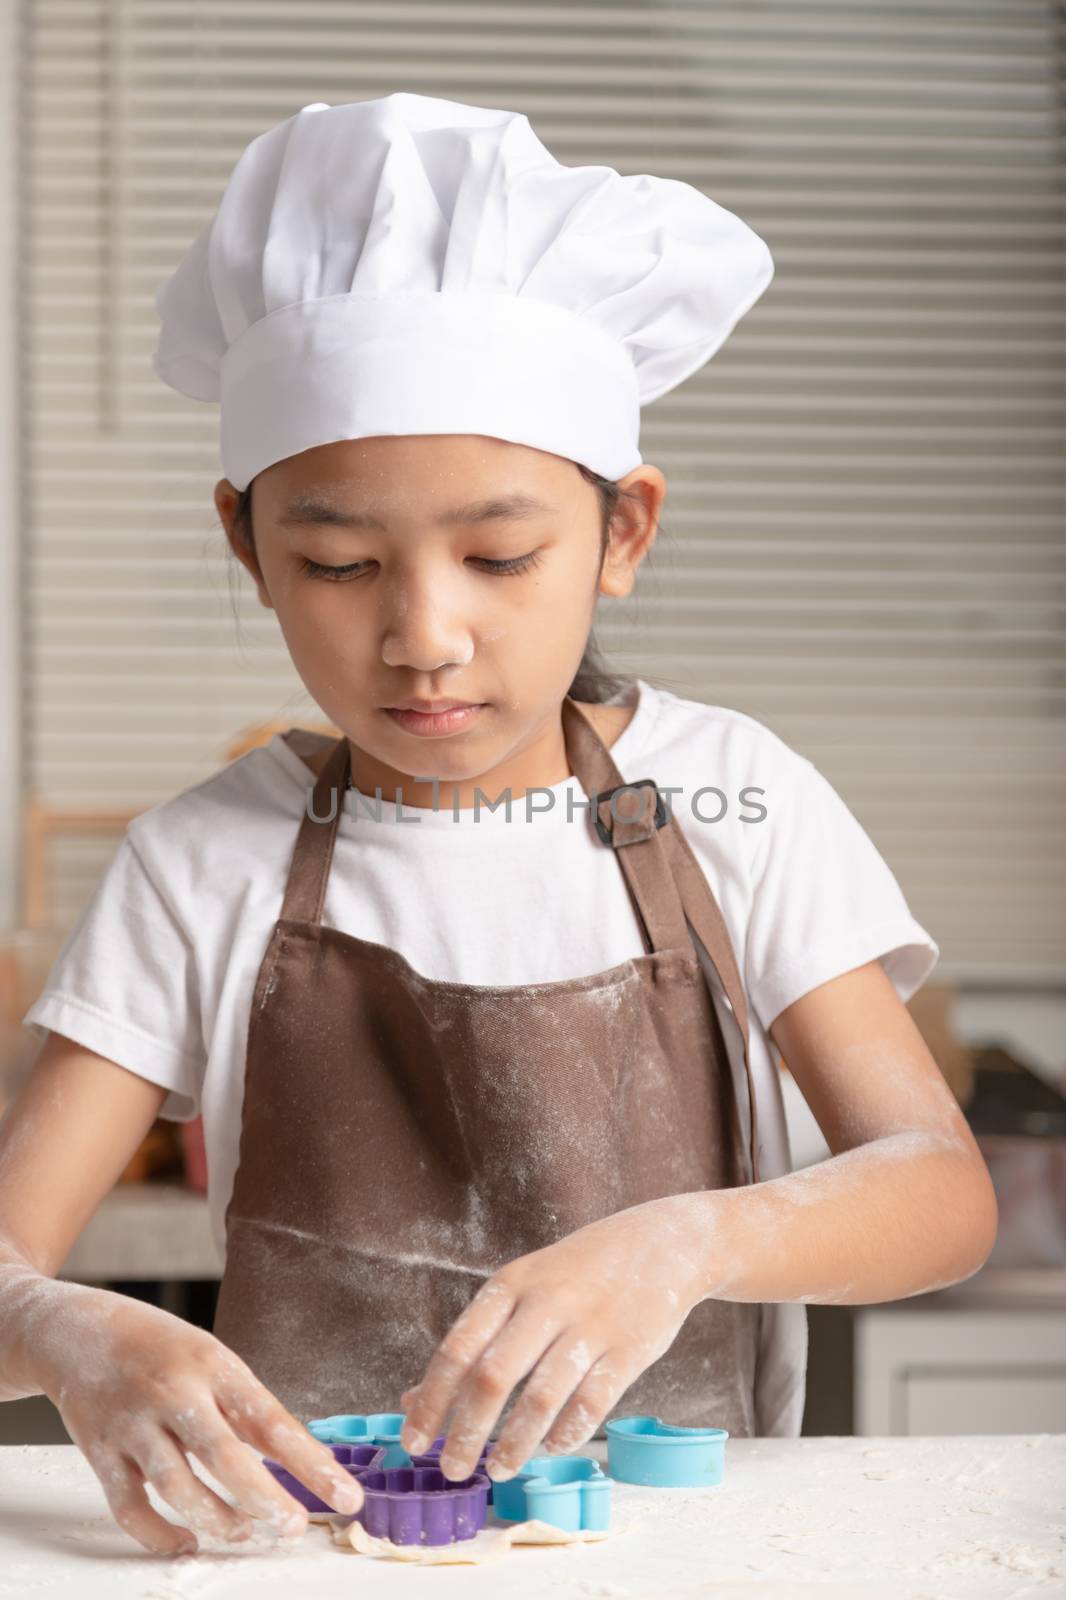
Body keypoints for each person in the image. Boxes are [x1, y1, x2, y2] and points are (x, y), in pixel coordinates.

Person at [0, 92, 997, 1559]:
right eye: (337, 563)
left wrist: (692, 1237)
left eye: (500, 555)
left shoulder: (740, 801)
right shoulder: (196, 863)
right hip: (312, 1560)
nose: (423, 636)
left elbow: (940, 1198)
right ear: (247, 546)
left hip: (690, 1556)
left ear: (624, 533)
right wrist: (58, 1326)